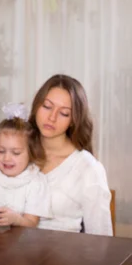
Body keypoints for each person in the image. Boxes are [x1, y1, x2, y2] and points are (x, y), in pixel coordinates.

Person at [29, 74, 112, 235]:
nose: (51, 117)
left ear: (73, 119)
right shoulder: (16, 153)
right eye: (47, 106)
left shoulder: (88, 169)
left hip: (63, 256)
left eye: (64, 113)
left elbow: (102, 241)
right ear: (36, 106)